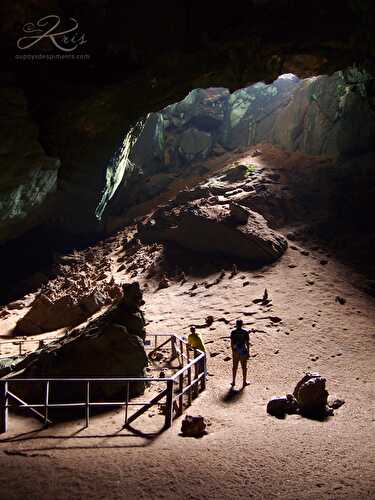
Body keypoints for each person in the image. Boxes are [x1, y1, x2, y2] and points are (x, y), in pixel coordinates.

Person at [230, 319, 250, 388]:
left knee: (235, 367)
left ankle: (233, 382)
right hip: (243, 351)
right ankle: (244, 382)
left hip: (236, 351)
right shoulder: (245, 332)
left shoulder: (233, 332)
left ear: (236, 324)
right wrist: (248, 352)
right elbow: (247, 343)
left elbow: (232, 343)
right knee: (244, 367)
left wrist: (233, 351)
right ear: (242, 324)